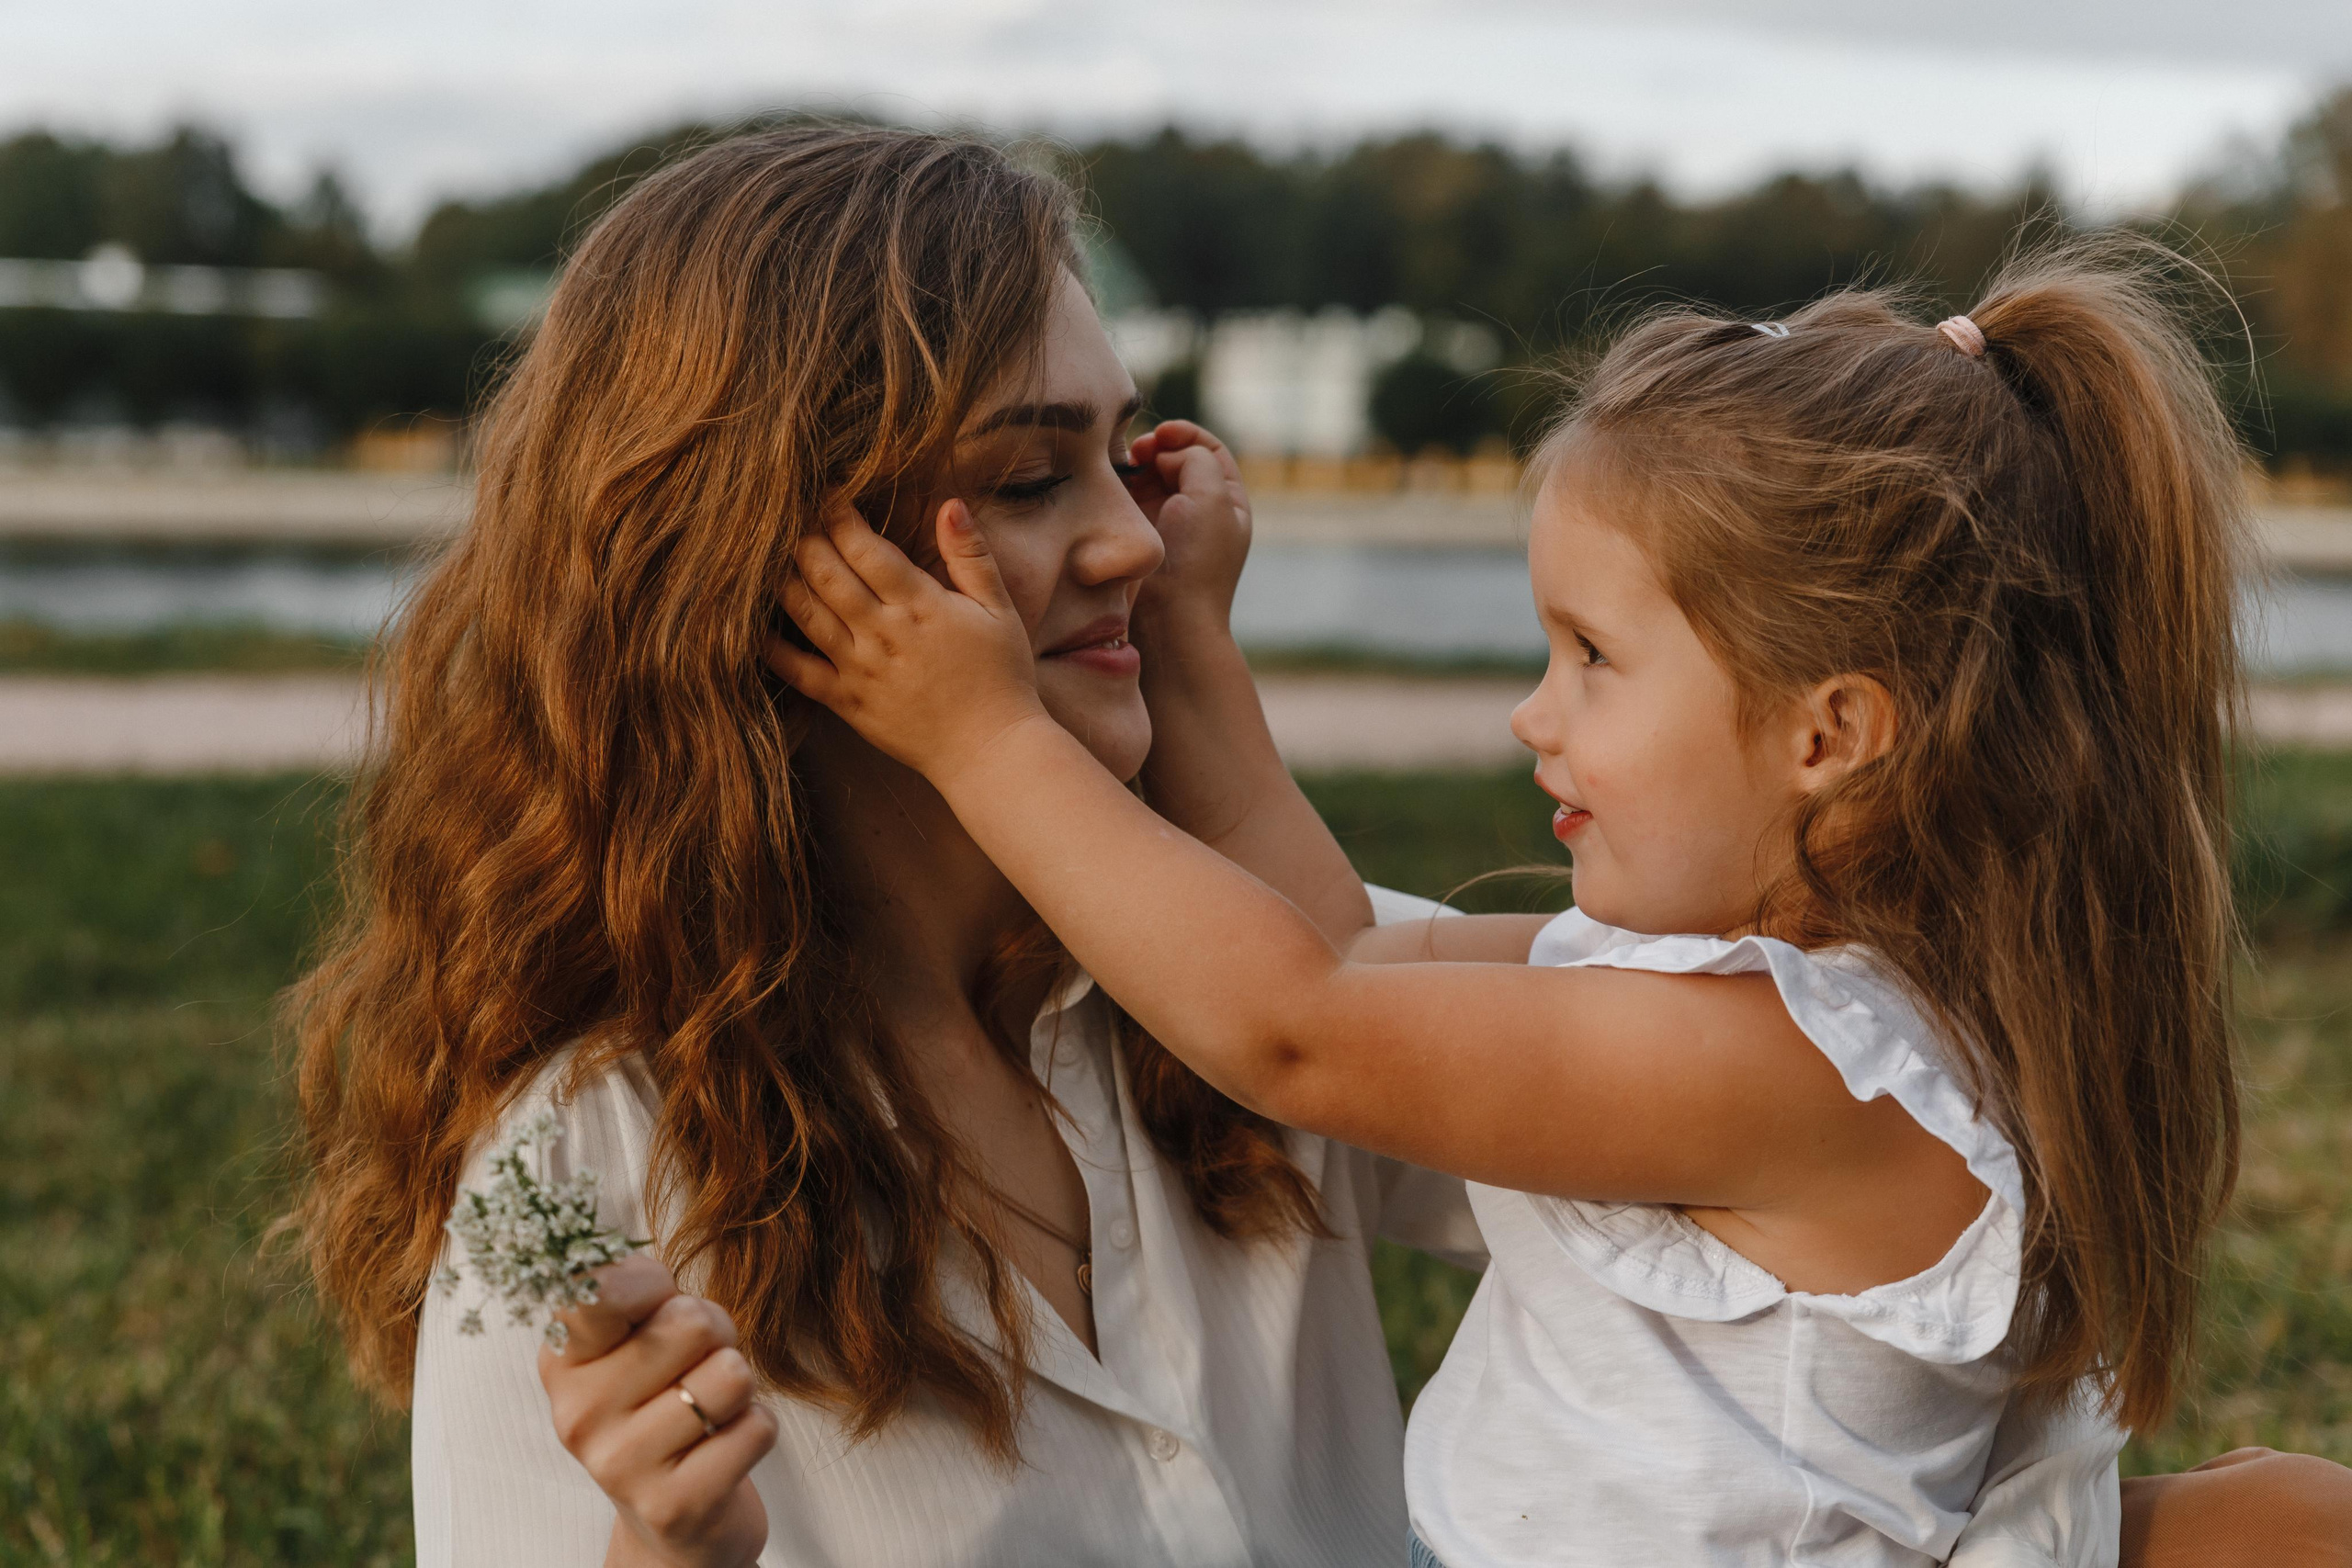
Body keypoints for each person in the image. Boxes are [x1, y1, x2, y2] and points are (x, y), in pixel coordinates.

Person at [285, 124, 2342, 1568]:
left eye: (1125, 449)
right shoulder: (583, 1169)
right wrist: (669, 1548)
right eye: (1030, 472)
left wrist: (1082, 698)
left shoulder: (1200, 991)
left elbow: (1302, 991)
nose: (1127, 529)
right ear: (767, 560)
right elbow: (1310, 972)